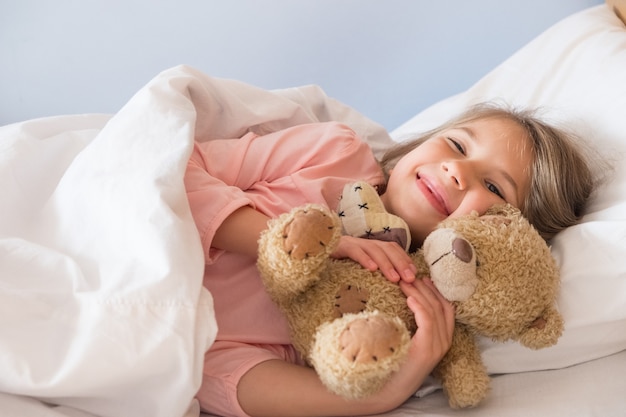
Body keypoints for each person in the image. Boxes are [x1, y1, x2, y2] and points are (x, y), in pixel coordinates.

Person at [184, 102, 593, 417]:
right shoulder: (335, 153)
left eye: (492, 185)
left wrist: (392, 389)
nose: (455, 169)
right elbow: (179, 171)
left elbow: (218, 379)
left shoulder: (399, 311)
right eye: (456, 145)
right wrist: (301, 240)